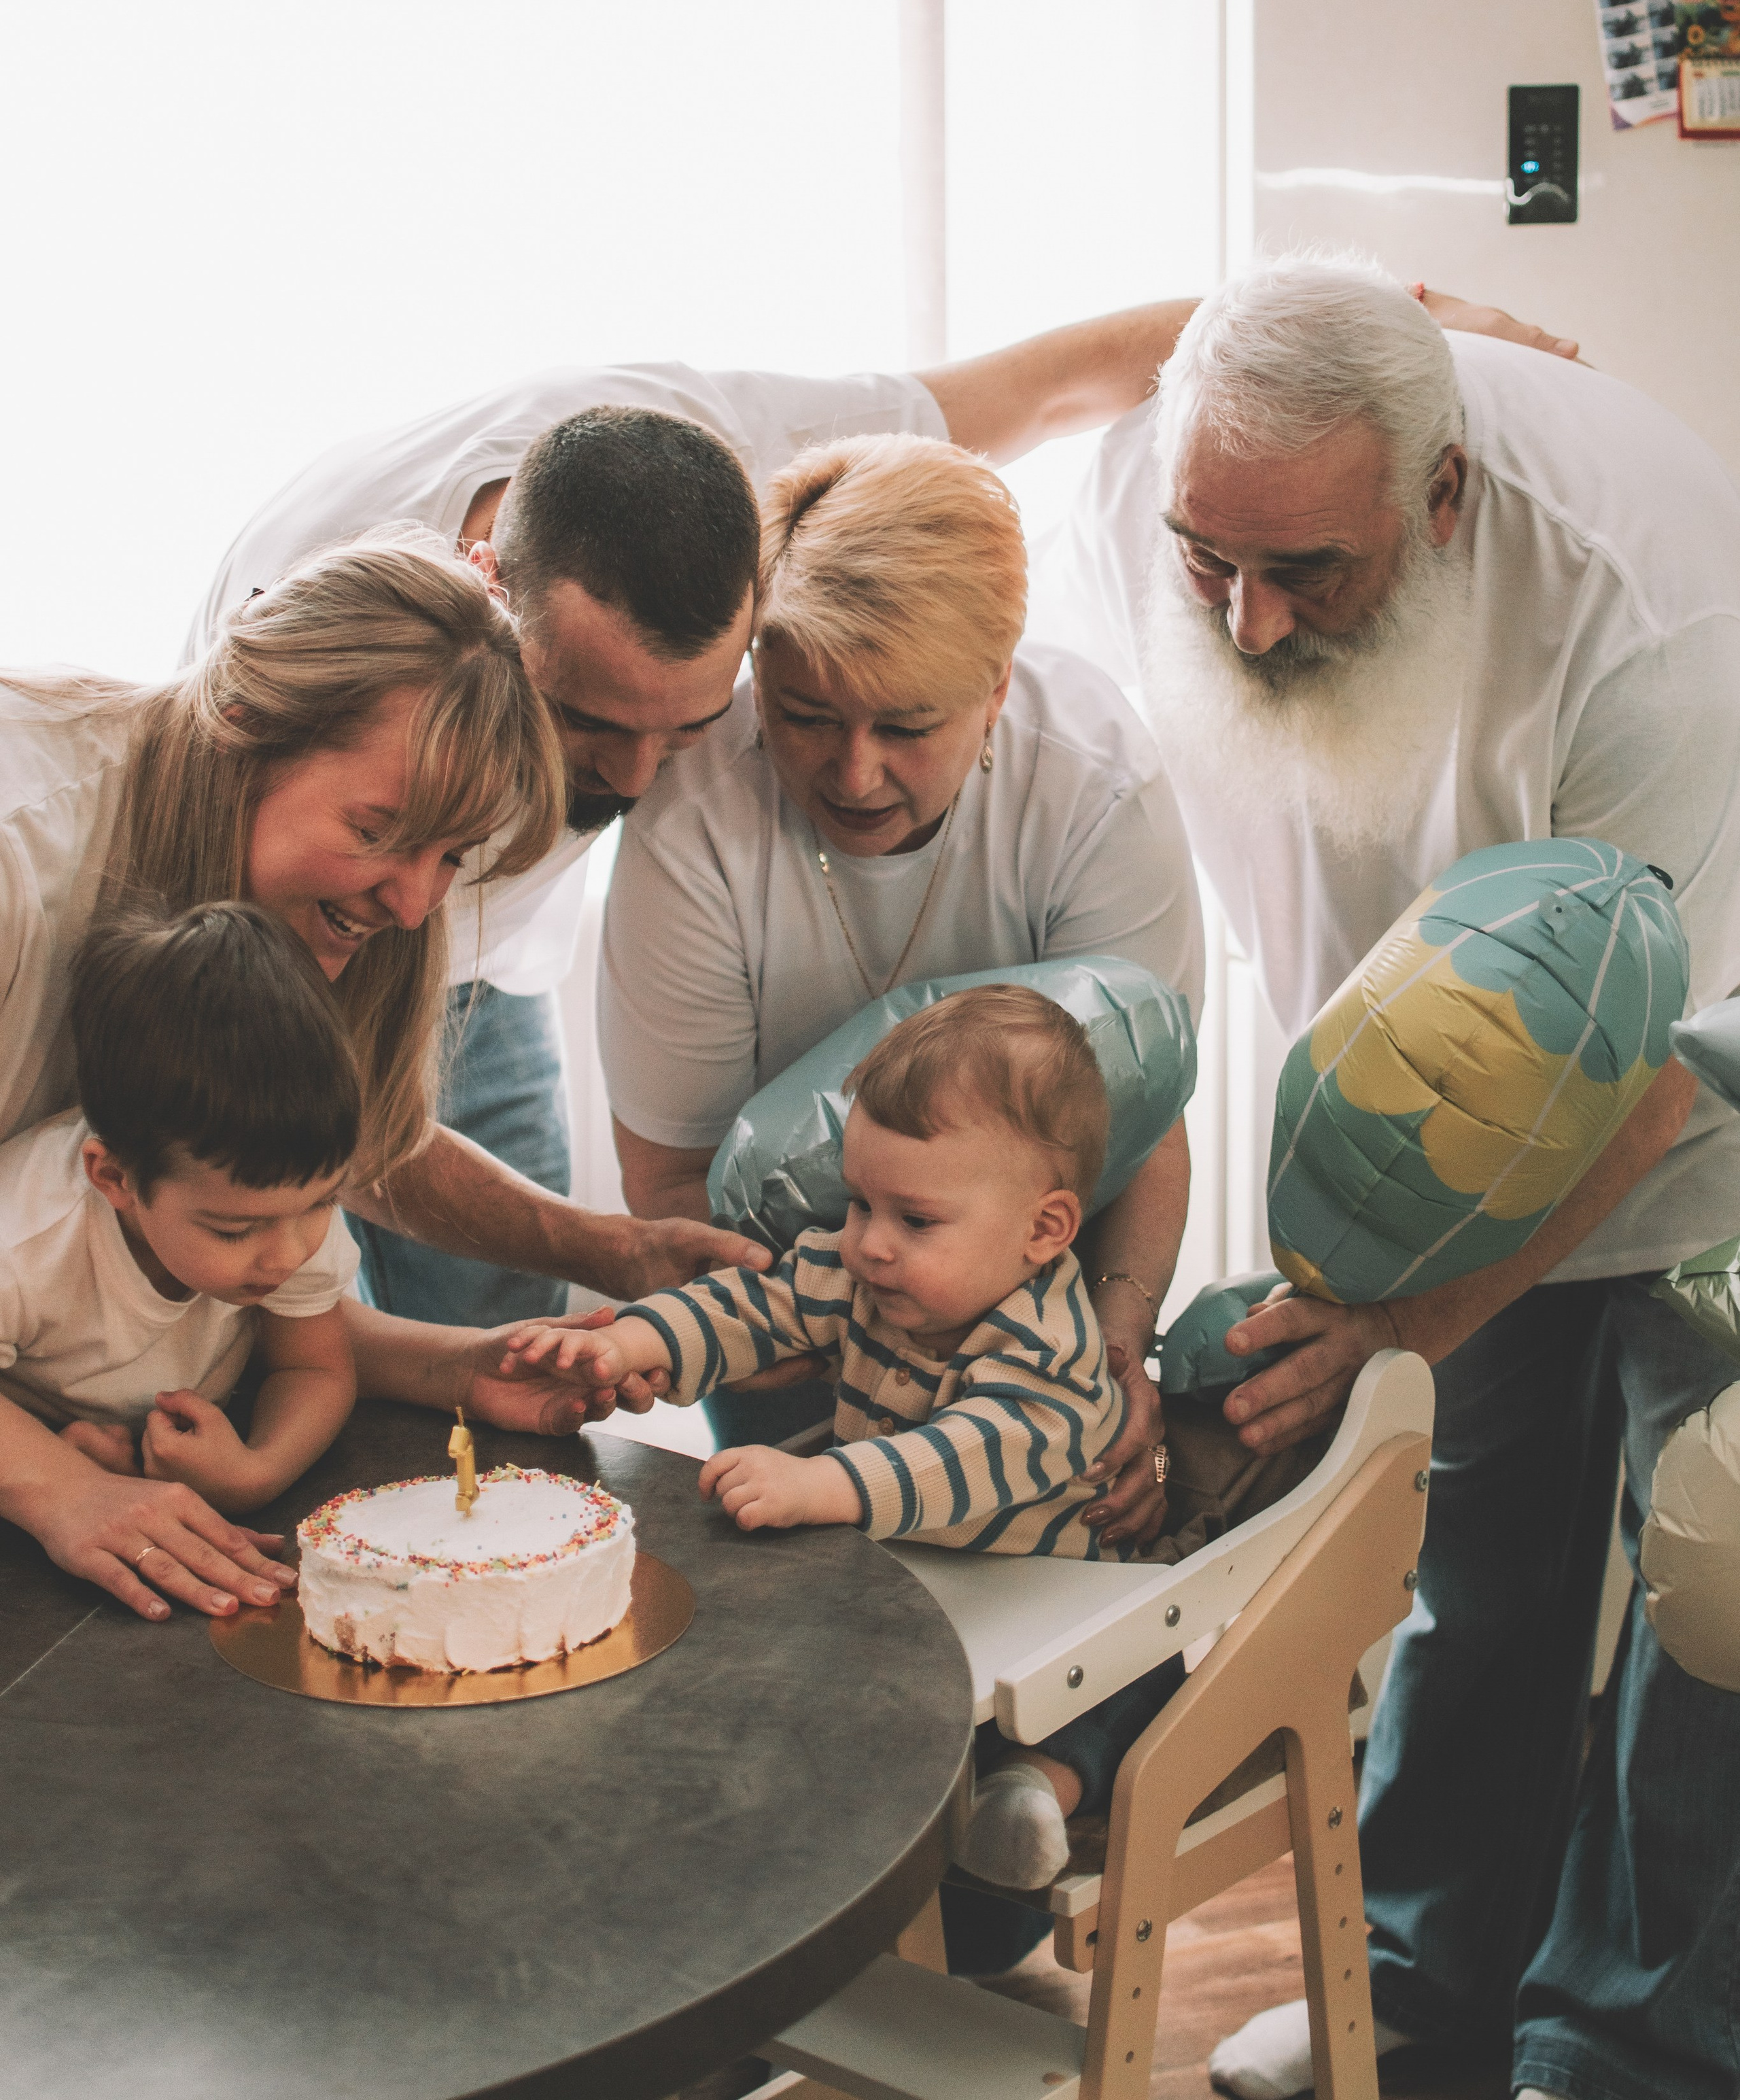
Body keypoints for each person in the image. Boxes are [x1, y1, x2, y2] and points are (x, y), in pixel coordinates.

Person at [187, 291, 1569, 1333]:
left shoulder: (759, 467)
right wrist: (619, 1261)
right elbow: (367, 1130)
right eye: (592, 726)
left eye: (697, 722)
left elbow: (1062, 376)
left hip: (492, 973)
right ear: (488, 593)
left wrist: (1389, 329)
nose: (644, 785)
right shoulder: (309, 646)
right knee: (303, 1327)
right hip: (319, 951)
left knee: (501, 1378)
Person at [1026, 254, 1740, 2100]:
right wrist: (1378, 1300)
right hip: (1454, 1100)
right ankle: (1423, 1994)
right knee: (1469, 1556)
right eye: (1214, 563)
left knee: (1707, 1597)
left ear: (1442, 499)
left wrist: (1408, 1313)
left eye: (1309, 577)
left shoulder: (1648, 612)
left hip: (1706, 1110)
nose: (1250, 624)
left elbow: (1649, 1070)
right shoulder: (1179, 482)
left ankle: (1625, 2050)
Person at [0, 532, 764, 1611]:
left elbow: (255, 1233)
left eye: (450, 856)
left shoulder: (338, 913)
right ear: (246, 729)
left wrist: (467, 1357)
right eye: (377, 831)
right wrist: (57, 1490)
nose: (412, 904)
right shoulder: (19, 854)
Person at [599, 433, 1200, 1545]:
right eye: (807, 717)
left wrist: (1114, 1347)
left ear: (997, 684)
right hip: (790, 1297)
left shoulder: (1094, 783)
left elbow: (1143, 1113)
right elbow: (673, 1176)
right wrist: (802, 1337)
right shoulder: (691, 816)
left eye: (908, 725)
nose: (854, 772)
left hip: (1031, 1308)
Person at [506, 984, 1184, 1891]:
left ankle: (1032, 1793)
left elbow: (964, 1459)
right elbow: (751, 1309)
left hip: (1051, 1599)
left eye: (915, 1220)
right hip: (923, 1597)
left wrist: (819, 1484)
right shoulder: (859, 1273)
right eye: (860, 1204)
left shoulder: (1050, 1351)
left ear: (1044, 1230)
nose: (869, 1244)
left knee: (1131, 1677)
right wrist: (626, 1341)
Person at [0, 902, 360, 1619]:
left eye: (321, 1204)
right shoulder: (25, 1243)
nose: (288, 1253)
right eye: (234, 1232)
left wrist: (256, 1470)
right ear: (117, 1180)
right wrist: (66, 1484)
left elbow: (314, 1363)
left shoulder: (286, 1200)